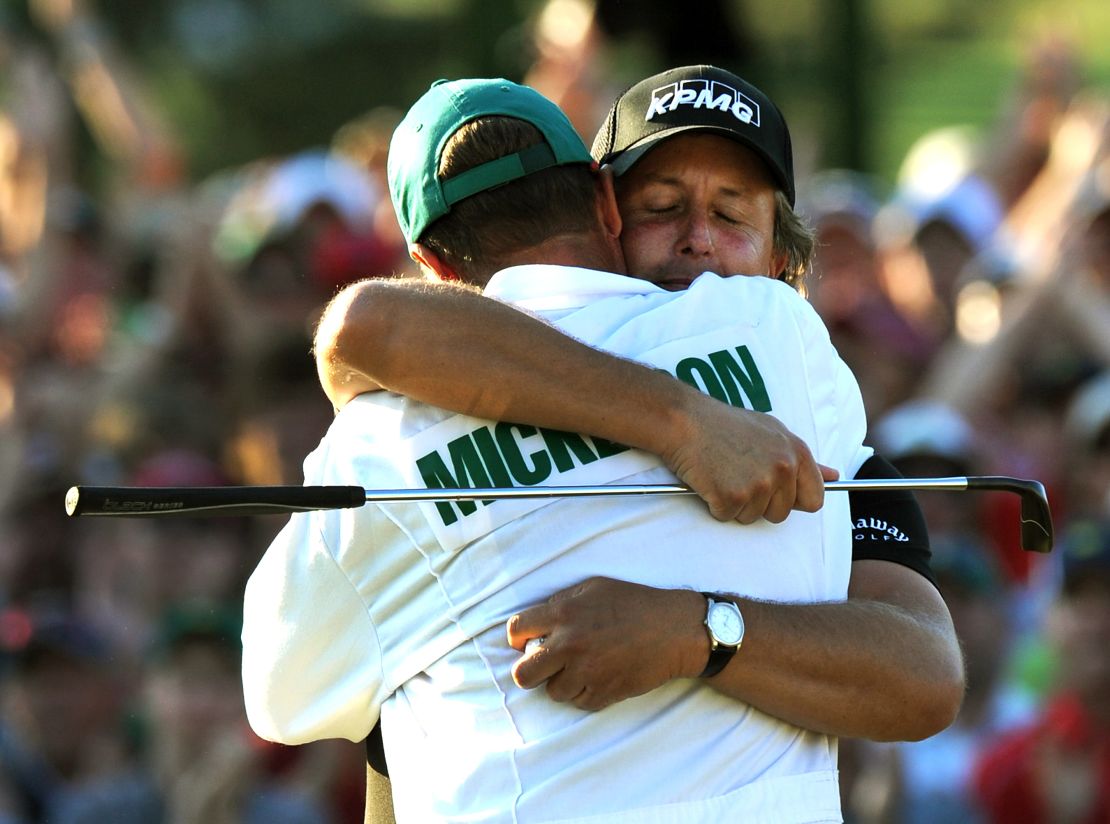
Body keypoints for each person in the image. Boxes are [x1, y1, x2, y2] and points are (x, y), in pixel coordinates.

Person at [243, 77, 894, 822]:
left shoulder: (372, 443)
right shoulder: (773, 326)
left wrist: (694, 633)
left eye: (729, 211)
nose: (698, 240)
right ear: (607, 204)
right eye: (664, 206)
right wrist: (678, 426)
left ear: (429, 264)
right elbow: (367, 326)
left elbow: (281, 699)